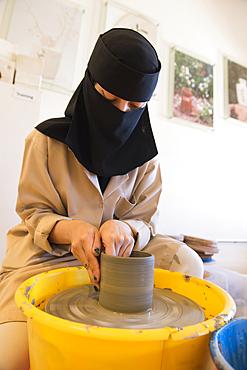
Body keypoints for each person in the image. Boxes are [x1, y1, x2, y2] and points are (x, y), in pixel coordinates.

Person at [0, 28, 203, 370]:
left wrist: (125, 228)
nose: (122, 112)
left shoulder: (146, 159)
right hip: (48, 256)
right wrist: (71, 229)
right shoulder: (44, 142)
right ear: (89, 83)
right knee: (13, 358)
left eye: (135, 105)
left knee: (190, 264)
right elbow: (33, 212)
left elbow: (146, 220)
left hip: (122, 258)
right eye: (109, 99)